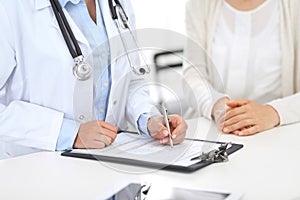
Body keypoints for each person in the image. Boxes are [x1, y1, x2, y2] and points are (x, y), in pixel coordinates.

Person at [0, 0, 187, 154]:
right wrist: (68, 134)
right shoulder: (11, 8)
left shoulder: (116, 4)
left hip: (111, 163)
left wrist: (148, 120)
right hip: (39, 171)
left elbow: (130, 79)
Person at [183, 0, 300, 136]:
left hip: (279, 132)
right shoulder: (199, 4)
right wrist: (216, 105)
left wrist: (274, 112)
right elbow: (192, 74)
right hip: (216, 129)